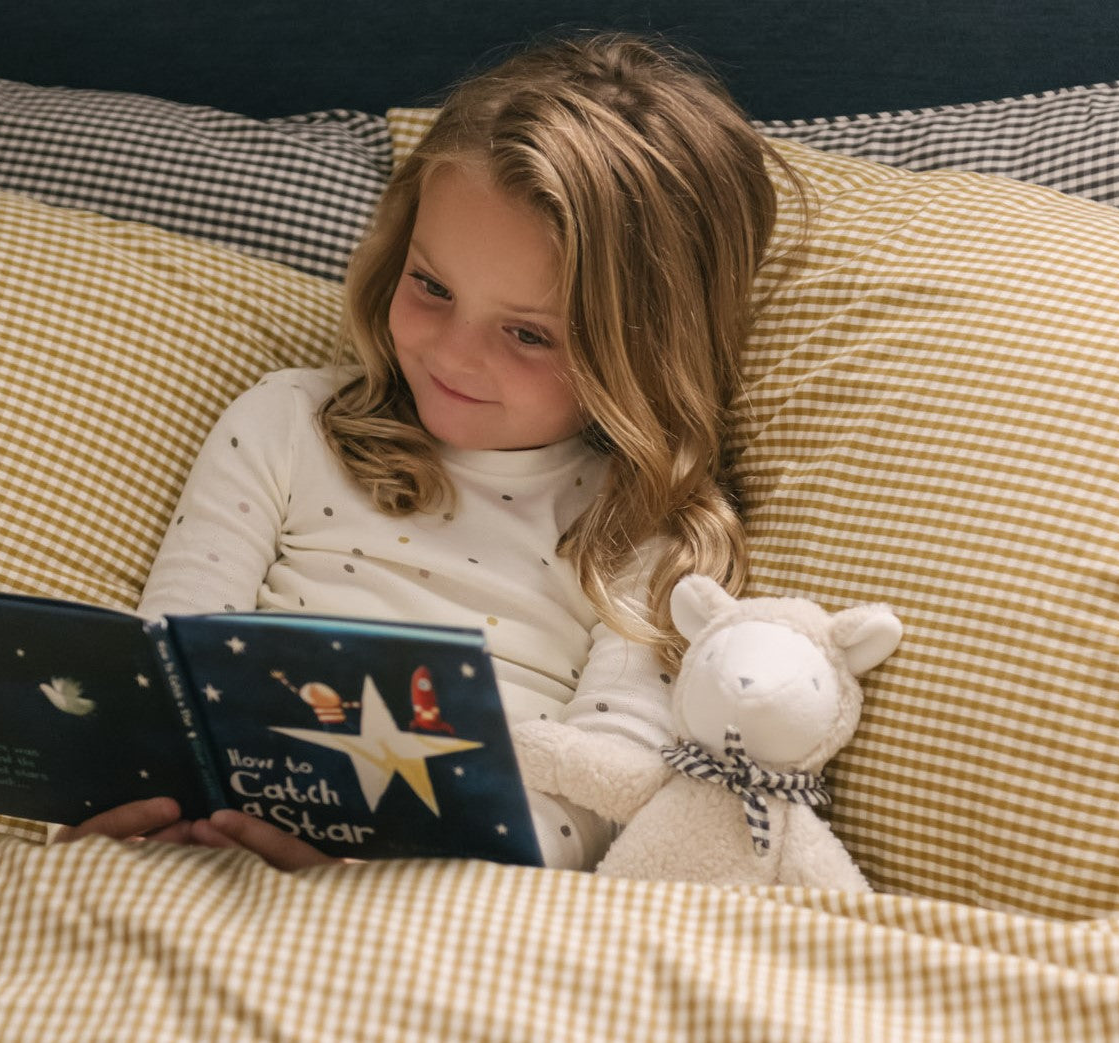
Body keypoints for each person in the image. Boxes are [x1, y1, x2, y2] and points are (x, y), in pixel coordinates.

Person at [57, 30, 789, 869]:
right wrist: (126, 799)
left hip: (455, 892)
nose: (453, 353)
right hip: (204, 854)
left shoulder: (647, 525)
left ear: (647, 349)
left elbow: (608, 783)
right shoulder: (289, 423)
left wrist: (381, 870)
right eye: (431, 287)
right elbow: (165, 670)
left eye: (527, 333)